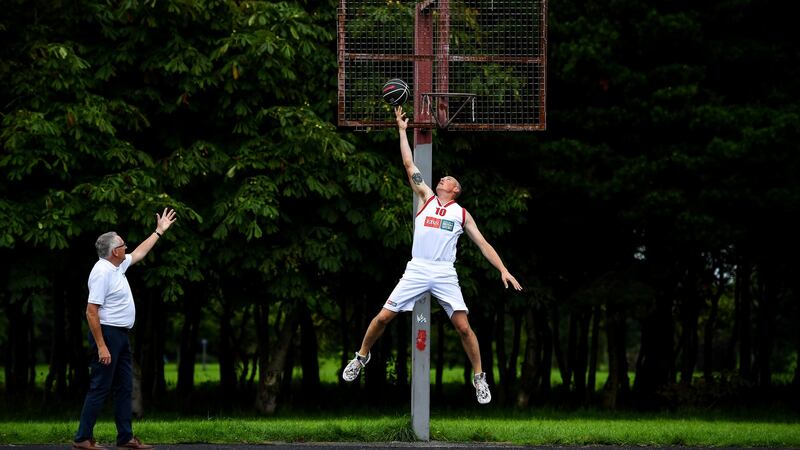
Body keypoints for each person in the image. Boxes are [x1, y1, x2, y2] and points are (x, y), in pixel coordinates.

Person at [342, 106, 523, 404]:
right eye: (442, 178)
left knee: (464, 327)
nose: (443, 178)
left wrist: (503, 269)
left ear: (456, 190)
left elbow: (484, 244)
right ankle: (361, 357)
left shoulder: (461, 214)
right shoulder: (425, 197)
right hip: (417, 269)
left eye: (448, 179)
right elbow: (408, 163)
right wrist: (401, 130)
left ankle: (479, 377)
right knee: (383, 317)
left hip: (443, 272)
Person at [73, 208, 177, 450]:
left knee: (124, 387)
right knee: (100, 386)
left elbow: (140, 252)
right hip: (107, 335)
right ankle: (82, 439)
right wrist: (101, 346)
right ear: (115, 251)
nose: (127, 246)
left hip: (120, 335)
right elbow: (91, 311)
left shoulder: (116, 266)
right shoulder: (101, 272)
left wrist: (159, 232)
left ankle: (125, 438)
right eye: (123, 244)